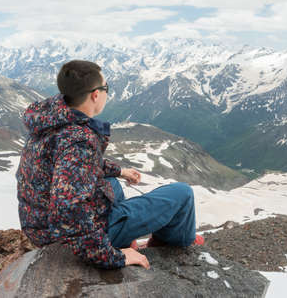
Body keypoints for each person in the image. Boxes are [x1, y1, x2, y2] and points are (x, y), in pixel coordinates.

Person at [16, 60, 203, 270]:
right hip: (64, 239)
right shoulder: (79, 140)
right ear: (95, 94)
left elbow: (70, 166)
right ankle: (166, 244)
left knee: (112, 184)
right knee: (182, 194)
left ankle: (125, 235)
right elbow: (67, 208)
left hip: (39, 225)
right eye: (107, 88)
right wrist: (111, 255)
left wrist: (120, 171)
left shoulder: (50, 119)